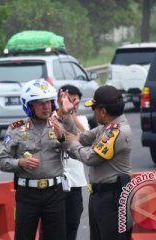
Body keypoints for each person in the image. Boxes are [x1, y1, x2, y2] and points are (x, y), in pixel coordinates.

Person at [59, 85, 132, 240]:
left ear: (103, 111)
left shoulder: (116, 132)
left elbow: (90, 157)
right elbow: (81, 136)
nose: (93, 112)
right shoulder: (106, 128)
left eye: (94, 109)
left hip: (113, 197)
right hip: (102, 196)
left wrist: (70, 143)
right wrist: (67, 115)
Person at [0, 79, 68, 240]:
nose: (46, 107)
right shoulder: (16, 129)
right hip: (27, 194)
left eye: (49, 102)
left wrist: (63, 138)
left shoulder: (59, 125)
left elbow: (74, 152)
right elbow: (2, 161)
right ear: (29, 106)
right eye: (40, 103)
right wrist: (20, 163)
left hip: (55, 193)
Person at [55, 84, 88, 240]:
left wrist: (71, 115)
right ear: (59, 100)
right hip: (54, 183)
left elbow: (86, 139)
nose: (73, 104)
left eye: (76, 101)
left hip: (75, 182)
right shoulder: (50, 118)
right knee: (54, 226)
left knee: (72, 223)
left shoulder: (81, 119)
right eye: (69, 100)